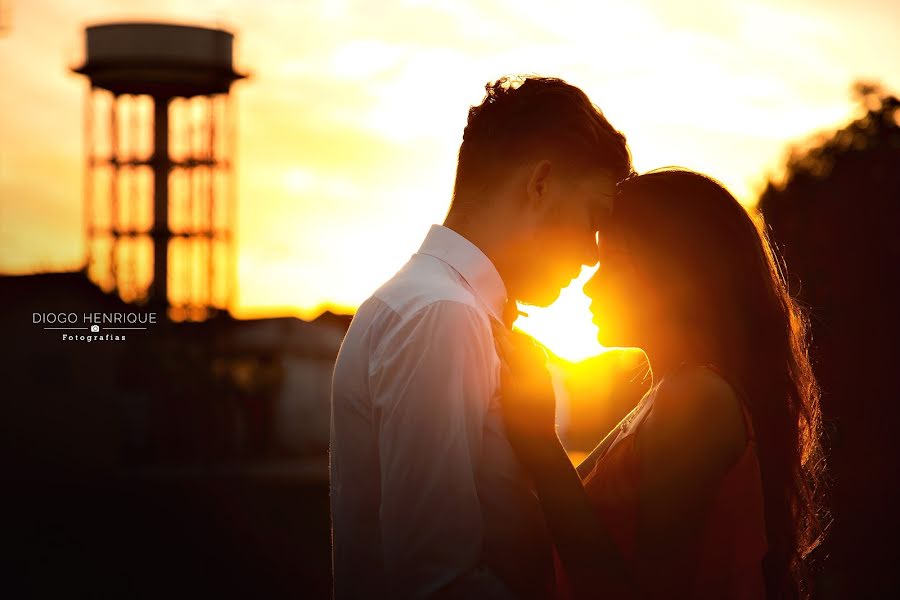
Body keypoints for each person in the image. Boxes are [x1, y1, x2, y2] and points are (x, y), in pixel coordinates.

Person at [329, 75, 632, 599]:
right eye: (593, 219)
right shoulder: (443, 315)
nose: (591, 255)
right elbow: (437, 583)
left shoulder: (439, 306)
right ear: (540, 185)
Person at [495, 168, 828, 599]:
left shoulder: (696, 400)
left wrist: (542, 444)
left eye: (612, 262)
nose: (589, 287)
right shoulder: (666, 398)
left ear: (668, 270)